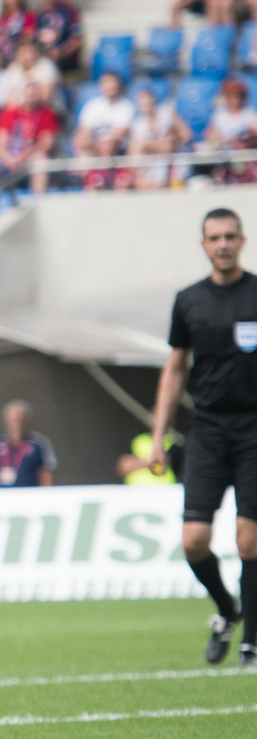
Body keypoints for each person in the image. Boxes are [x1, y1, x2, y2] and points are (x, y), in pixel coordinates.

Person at [149, 208, 257, 667]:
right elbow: (175, 368)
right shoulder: (189, 300)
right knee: (194, 539)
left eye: (231, 236)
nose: (223, 244)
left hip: (254, 430)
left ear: (243, 240)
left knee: (249, 539)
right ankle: (228, 609)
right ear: (204, 245)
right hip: (208, 430)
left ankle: (252, 644)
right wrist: (158, 435)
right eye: (215, 237)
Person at [0, 399, 56, 487]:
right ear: (6, 421)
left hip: (29, 494)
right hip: (3, 494)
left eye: (21, 420)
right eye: (14, 420)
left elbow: (46, 475)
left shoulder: (39, 443)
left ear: (28, 421)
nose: (17, 425)